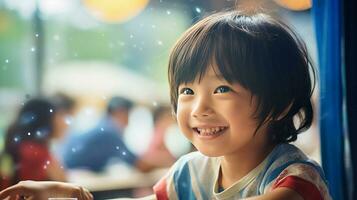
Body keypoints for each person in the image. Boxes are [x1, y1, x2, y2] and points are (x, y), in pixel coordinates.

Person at [0, 10, 332, 200]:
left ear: (279, 103)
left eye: (222, 88)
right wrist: (74, 195)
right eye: (187, 90)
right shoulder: (189, 172)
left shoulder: (294, 182)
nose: (198, 107)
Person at [63, 96, 156, 172]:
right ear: (120, 111)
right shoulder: (110, 131)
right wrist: (166, 163)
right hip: (73, 175)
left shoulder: (102, 125)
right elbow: (140, 164)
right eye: (127, 115)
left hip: (69, 170)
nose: (128, 123)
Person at [0, 98, 67, 190]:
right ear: (45, 120)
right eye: (59, 116)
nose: (64, 122)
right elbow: (64, 187)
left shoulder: (22, 147)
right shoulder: (36, 154)